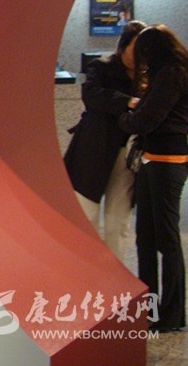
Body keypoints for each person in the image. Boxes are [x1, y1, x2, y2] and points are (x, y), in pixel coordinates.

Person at [119, 24, 188, 332]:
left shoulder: (172, 74)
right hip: (155, 160)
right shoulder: (170, 73)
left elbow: (146, 119)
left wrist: (126, 119)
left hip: (165, 162)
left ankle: (171, 313)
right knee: (146, 237)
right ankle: (150, 309)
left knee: (165, 240)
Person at [63, 20, 146, 262]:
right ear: (123, 46)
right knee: (86, 214)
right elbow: (90, 95)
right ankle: (84, 269)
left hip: (127, 155)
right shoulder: (101, 66)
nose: (138, 57)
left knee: (118, 221)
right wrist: (128, 102)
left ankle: (113, 271)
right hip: (94, 149)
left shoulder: (147, 76)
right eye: (134, 49)